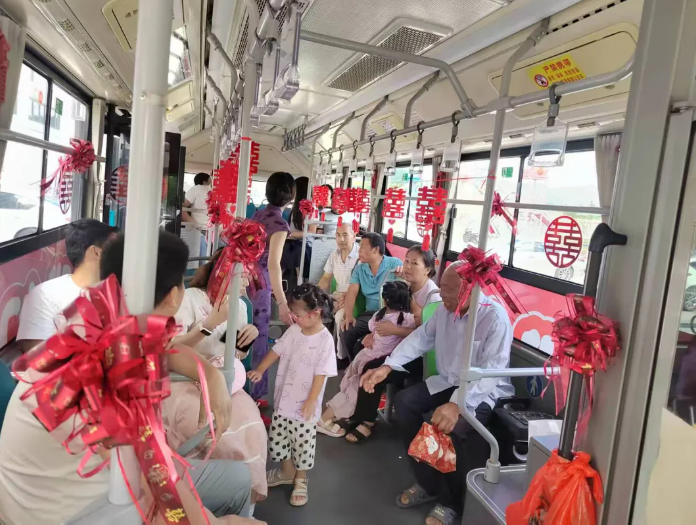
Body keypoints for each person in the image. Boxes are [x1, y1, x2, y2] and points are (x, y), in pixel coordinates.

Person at [0, 230, 259, 525]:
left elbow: (165, 349)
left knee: (237, 477)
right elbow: (155, 487)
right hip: (81, 511)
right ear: (175, 295)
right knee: (236, 492)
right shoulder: (111, 378)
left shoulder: (92, 328)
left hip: (55, 495)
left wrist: (211, 375)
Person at [360, 262, 514, 525]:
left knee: (453, 428)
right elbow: (420, 338)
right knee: (405, 403)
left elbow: (492, 372)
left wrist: (457, 405)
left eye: (449, 290)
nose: (442, 295)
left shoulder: (495, 318)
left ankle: (451, 501)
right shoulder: (444, 311)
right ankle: (428, 482)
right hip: (448, 380)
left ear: (470, 289)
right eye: (441, 287)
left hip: (481, 390)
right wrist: (387, 366)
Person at [163, 249, 268, 506]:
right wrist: (210, 323)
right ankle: (205, 494)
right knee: (215, 432)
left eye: (248, 277)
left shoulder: (239, 307)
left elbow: (233, 355)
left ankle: (243, 500)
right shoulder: (189, 299)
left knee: (253, 428)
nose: (247, 283)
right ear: (222, 275)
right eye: (243, 276)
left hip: (223, 378)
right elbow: (170, 349)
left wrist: (247, 337)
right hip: (183, 377)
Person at [338, 244, 441, 442]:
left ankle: (367, 421)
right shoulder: (403, 286)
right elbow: (386, 314)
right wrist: (373, 335)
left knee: (372, 365)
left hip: (418, 356)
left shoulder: (433, 297)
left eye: (414, 263)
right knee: (359, 345)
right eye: (406, 261)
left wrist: (395, 331)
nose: (408, 267)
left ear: (428, 269)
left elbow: (427, 336)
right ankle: (356, 407)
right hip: (395, 344)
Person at [247, 284, 337, 507]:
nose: (294, 318)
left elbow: (321, 374)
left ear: (315, 313)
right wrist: (260, 369)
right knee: (280, 441)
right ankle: (287, 473)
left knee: (302, 445)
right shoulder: (295, 331)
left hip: (305, 408)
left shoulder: (325, 340)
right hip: (284, 401)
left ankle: (301, 479)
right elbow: (277, 350)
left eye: (297, 314)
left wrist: (311, 400)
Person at [318, 281, 415, 437]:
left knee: (351, 387)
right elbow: (418, 331)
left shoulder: (379, 315)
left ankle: (342, 414)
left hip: (364, 356)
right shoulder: (407, 319)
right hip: (377, 358)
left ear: (384, 300)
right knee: (354, 391)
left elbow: (371, 327)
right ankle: (325, 418)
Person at [17, 218, 118, 352]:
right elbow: (37, 358)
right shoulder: (45, 296)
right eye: (114, 248)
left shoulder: (120, 292)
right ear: (96, 252)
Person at [249, 172, 296, 400]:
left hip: (245, 277)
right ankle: (254, 395)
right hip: (261, 285)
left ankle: (236, 384)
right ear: (291, 196)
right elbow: (273, 264)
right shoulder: (279, 224)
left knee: (240, 332)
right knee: (259, 336)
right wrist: (282, 302)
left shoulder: (258, 215)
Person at [341, 232, 403, 360]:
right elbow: (352, 292)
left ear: (375, 249)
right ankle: (353, 363)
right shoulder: (359, 269)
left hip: (391, 315)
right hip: (370, 315)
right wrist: (349, 316)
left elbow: (406, 287)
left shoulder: (394, 264)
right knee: (347, 330)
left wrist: (403, 276)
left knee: (362, 346)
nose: (359, 250)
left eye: (363, 247)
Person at [317, 221, 359, 358]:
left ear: (354, 236)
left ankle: (341, 356)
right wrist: (315, 294)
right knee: (314, 307)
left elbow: (363, 284)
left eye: (345, 235)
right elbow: (326, 278)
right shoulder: (334, 255)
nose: (341, 239)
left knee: (341, 316)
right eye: (338, 235)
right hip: (337, 295)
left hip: (357, 296)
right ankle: (316, 346)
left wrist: (347, 296)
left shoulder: (360, 256)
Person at [182, 172, 212, 268]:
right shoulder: (198, 189)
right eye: (210, 180)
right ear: (204, 182)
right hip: (204, 230)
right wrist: (193, 224)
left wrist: (193, 223)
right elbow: (182, 207)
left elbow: (183, 206)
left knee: (203, 261)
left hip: (204, 230)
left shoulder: (196, 190)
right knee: (205, 262)